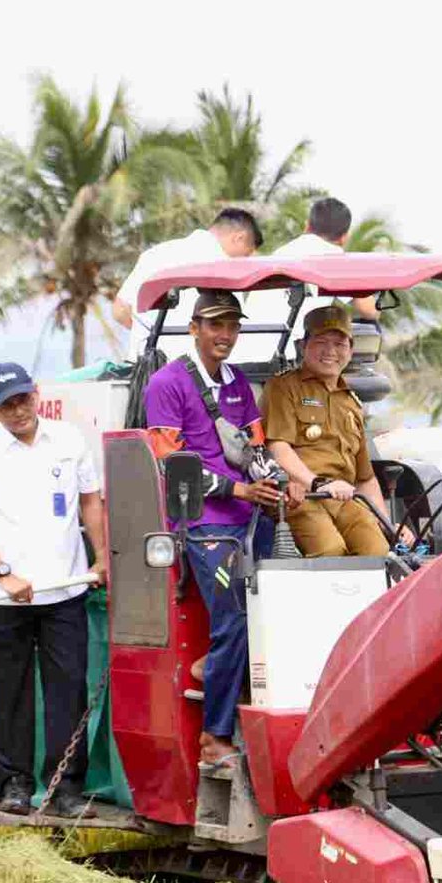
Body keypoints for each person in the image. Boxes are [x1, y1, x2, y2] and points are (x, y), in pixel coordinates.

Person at [0, 362, 108, 818]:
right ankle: (15, 782)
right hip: (7, 596)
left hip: (66, 590)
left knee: (67, 690)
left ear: (36, 395)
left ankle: (67, 788)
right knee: (12, 691)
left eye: (23, 399)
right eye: (6, 405)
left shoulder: (68, 440)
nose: (17, 411)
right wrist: (3, 573)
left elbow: (91, 500)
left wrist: (100, 557)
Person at [144, 290, 280, 767]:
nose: (225, 335)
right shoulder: (165, 383)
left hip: (254, 520)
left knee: (268, 616)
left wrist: (274, 482)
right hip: (204, 526)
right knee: (237, 618)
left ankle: (214, 667)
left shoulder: (239, 381)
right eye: (215, 325)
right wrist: (242, 491)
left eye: (232, 326)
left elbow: (257, 447)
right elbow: (173, 466)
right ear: (194, 328)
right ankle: (213, 737)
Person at [263, 304, 396, 557]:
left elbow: (365, 477)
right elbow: (277, 447)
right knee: (330, 551)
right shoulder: (284, 387)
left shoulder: (351, 402)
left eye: (339, 343)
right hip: (299, 496)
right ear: (303, 346)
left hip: (343, 498)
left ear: (351, 349)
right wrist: (318, 482)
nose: (330, 351)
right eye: (321, 341)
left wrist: (388, 525)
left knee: (378, 551)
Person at [111, 208, 264, 360]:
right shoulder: (227, 270)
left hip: (147, 370)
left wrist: (154, 336)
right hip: (202, 372)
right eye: (247, 253)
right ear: (239, 238)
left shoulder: (155, 254)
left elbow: (120, 310)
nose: (245, 259)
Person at [271, 198, 378, 322]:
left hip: (251, 336)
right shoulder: (335, 259)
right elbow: (370, 311)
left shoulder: (280, 253)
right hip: (291, 339)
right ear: (344, 238)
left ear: (307, 226)